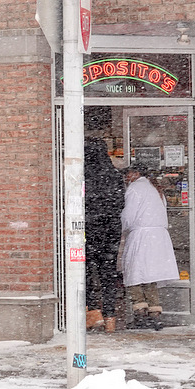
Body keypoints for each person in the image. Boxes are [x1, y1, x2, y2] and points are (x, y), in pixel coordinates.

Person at [120, 165, 179, 330]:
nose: (126, 177)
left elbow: (129, 215)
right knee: (150, 277)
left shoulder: (135, 188)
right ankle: (155, 314)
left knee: (135, 275)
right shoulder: (155, 188)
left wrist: (120, 227)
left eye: (128, 173)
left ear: (136, 173)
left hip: (142, 236)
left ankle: (140, 313)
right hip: (158, 237)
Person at [84, 138, 125, 333]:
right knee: (108, 275)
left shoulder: (84, 174)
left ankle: (93, 312)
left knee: (86, 273)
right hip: (111, 228)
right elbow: (120, 203)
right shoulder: (114, 175)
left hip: (90, 227)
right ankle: (110, 318)